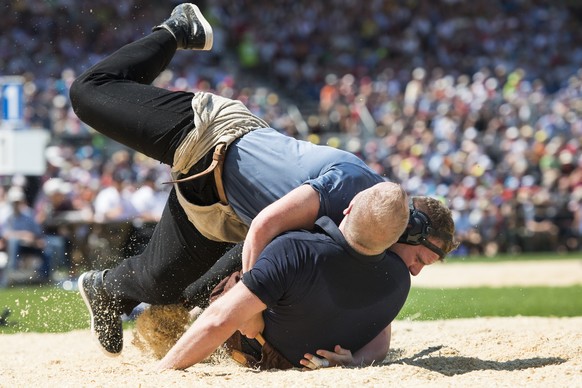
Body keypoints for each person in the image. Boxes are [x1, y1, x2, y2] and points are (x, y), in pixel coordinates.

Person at [70, 3, 407, 357]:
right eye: (420, 261)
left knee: (160, 286)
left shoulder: (364, 249)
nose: (415, 270)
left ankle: (105, 290)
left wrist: (354, 358)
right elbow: (265, 227)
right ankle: (176, 30)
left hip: (221, 214)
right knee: (87, 92)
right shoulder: (350, 193)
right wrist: (253, 306)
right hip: (212, 137)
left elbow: (374, 303)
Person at [158, 190, 458, 370]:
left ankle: (182, 304)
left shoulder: (294, 249)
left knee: (243, 266)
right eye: (419, 259)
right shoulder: (398, 282)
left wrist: (160, 372)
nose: (415, 270)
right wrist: (353, 361)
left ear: (349, 207)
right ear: (403, 231)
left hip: (252, 346)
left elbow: (219, 321)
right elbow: (380, 342)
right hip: (302, 358)